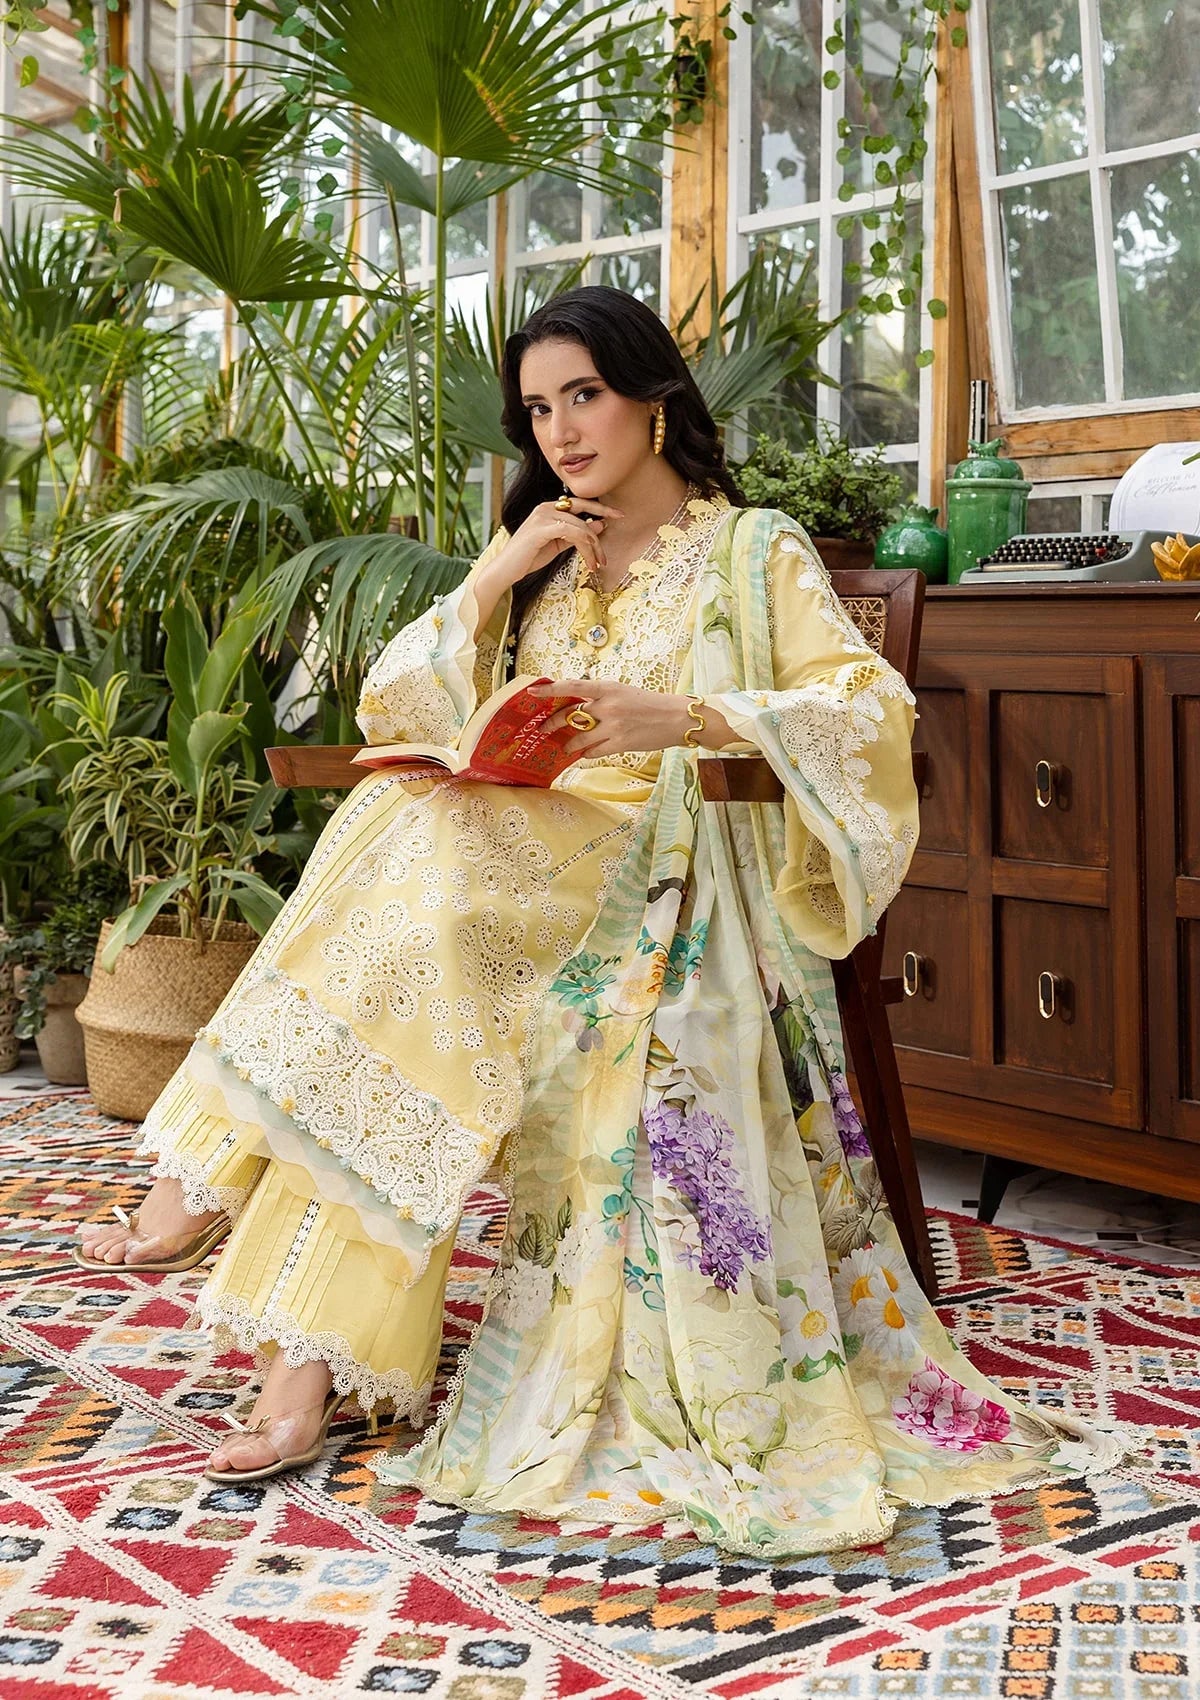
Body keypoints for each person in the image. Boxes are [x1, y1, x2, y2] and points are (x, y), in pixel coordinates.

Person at [76, 287, 1117, 1553]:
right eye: (537, 410)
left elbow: (869, 708)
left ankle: (212, 1183)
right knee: (415, 874)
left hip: (666, 861)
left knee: (427, 902)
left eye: (585, 395)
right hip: (512, 858)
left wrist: (684, 717)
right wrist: (494, 573)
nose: (561, 430)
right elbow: (397, 708)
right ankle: (296, 1365)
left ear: (653, 397)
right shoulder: (544, 557)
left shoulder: (754, 550)